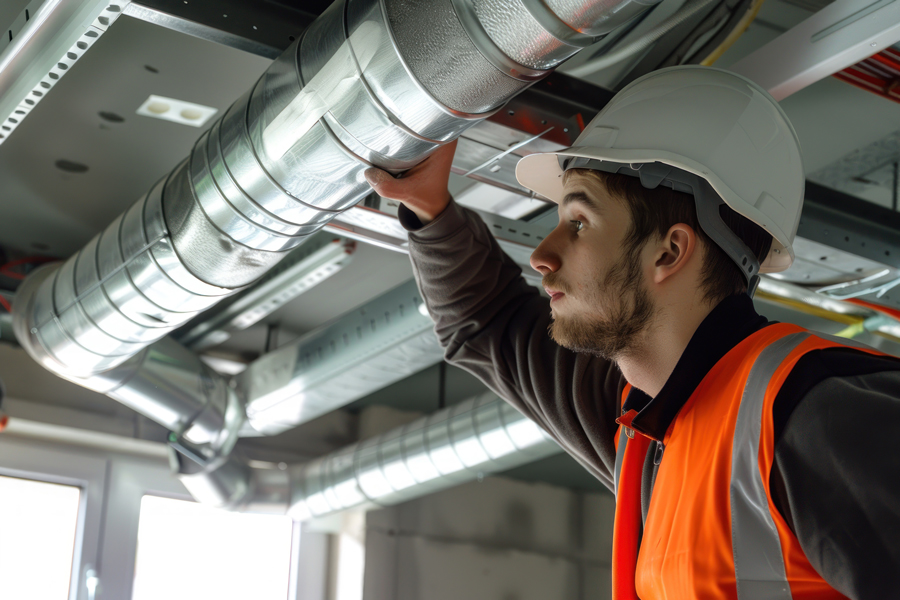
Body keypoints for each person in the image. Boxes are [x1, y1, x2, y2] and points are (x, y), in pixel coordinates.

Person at [363, 66, 900, 600]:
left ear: (668, 252)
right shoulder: (647, 427)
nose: (542, 255)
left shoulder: (815, 415)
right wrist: (429, 207)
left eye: (578, 223)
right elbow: (487, 323)